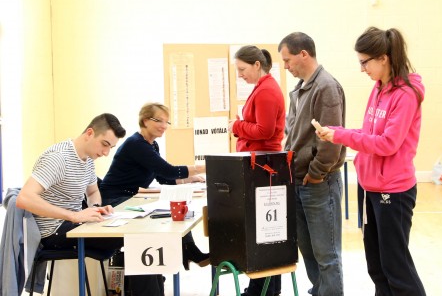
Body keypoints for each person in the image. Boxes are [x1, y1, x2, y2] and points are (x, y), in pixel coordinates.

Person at [317, 27, 426, 296]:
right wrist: (337, 133)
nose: (362, 68)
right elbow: (369, 134)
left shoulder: (406, 94)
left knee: (395, 267)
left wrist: (341, 136)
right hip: (370, 188)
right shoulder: (378, 89)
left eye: (364, 62)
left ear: (384, 58)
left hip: (394, 191)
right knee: (377, 267)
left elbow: (388, 143)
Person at [15, 114, 127, 288]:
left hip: (73, 224)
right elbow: (24, 198)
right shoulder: (58, 157)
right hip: (54, 232)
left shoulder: (88, 159)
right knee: (130, 238)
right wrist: (73, 216)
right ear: (90, 133)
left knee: (131, 234)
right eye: (105, 144)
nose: (106, 153)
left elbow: (93, 191)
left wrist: (96, 209)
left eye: (110, 148)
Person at [99, 102, 209, 274]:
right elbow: (169, 171)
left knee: (175, 206)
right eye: (159, 120)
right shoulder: (136, 144)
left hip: (131, 197)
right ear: (145, 121)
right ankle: (187, 252)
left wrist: (191, 179)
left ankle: (189, 249)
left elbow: (163, 178)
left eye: (166, 122)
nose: (164, 126)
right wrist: (203, 167)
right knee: (163, 212)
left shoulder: (151, 145)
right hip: (115, 199)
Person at [278, 32, 346, 296]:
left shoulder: (326, 87)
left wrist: (316, 174)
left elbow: (332, 139)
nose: (285, 66)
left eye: (287, 60)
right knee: (309, 251)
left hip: (317, 182)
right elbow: (293, 133)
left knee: (326, 253)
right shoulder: (300, 89)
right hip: (298, 180)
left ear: (303, 54)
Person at [228, 45, 285, 296]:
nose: (240, 75)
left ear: (257, 65)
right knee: (262, 232)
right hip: (259, 162)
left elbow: (265, 131)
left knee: (263, 232)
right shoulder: (262, 89)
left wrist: (237, 126)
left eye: (242, 69)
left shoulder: (266, 91)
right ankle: (263, 289)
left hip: (263, 164)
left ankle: (261, 290)